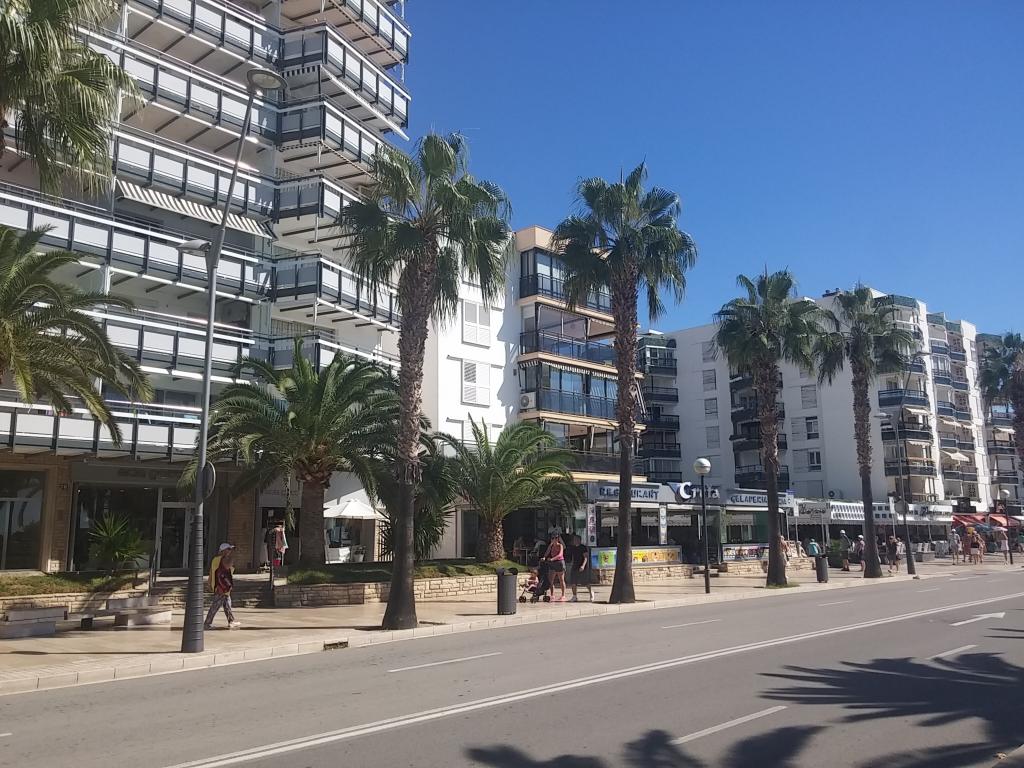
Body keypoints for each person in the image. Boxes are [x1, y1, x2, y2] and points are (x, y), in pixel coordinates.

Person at [206, 543, 240, 629]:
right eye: (228, 549)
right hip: (221, 587)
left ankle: (231, 621)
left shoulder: (215, 559)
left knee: (227, 604)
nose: (230, 551)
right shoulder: (224, 560)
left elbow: (211, 572)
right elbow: (227, 566)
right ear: (223, 551)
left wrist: (209, 583)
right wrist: (232, 558)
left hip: (222, 587)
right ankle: (207, 623)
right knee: (215, 606)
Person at [565, 534, 594, 603]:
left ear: (579, 540)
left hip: (581, 566)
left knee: (585, 582)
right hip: (574, 566)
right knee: (573, 582)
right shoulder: (573, 548)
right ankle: (574, 596)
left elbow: (586, 557)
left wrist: (583, 566)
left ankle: (591, 592)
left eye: (576, 539)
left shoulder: (583, 547)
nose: (574, 541)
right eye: (574, 540)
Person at [543, 533, 567, 601]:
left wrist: (552, 559)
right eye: (553, 538)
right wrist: (544, 557)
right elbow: (547, 552)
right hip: (553, 563)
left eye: (556, 538)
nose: (554, 540)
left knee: (561, 580)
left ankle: (563, 595)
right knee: (550, 580)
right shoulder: (551, 545)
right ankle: (552, 595)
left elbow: (560, 554)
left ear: (558, 539)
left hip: (559, 562)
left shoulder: (560, 545)